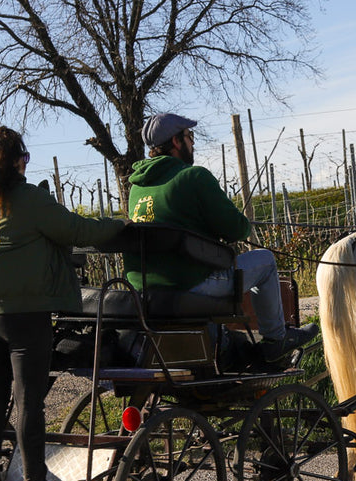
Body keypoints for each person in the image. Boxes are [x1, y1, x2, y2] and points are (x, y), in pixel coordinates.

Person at [0, 125, 127, 481]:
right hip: (23, 314)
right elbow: (77, 229)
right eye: (24, 156)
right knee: (28, 400)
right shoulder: (29, 199)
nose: (25, 163)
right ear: (15, 162)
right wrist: (120, 225)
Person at [125, 112, 317, 364]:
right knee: (265, 261)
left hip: (147, 292)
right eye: (189, 136)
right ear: (176, 142)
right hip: (190, 285)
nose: (192, 142)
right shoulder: (193, 177)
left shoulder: (136, 189)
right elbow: (237, 229)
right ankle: (275, 339)